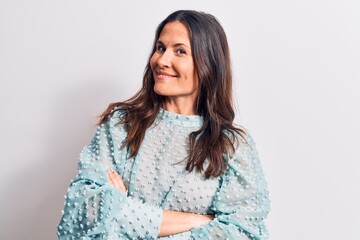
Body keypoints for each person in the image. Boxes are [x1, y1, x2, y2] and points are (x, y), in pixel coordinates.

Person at [57, 10, 270, 240]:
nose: (161, 60)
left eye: (179, 51)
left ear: (209, 63)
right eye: (160, 48)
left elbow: (244, 233)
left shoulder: (233, 146)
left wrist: (123, 215)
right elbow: (81, 214)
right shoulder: (121, 125)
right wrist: (197, 222)